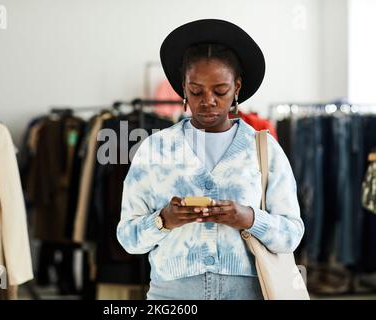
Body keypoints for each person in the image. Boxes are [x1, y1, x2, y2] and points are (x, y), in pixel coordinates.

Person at [117, 19, 304, 300]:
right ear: (183, 88)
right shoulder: (156, 148)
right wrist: (163, 220)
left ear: (237, 88)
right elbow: (128, 238)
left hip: (247, 292)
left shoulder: (263, 148)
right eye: (196, 91)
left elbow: (292, 233)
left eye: (220, 91)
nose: (208, 101)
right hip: (172, 296)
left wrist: (250, 219)